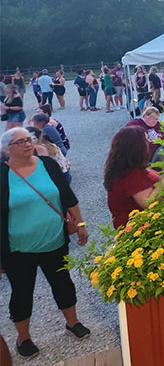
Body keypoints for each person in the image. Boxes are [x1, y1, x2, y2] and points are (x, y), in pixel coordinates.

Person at [0, 128, 90, 358]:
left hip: (54, 241)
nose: (27, 144)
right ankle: (24, 337)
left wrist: (80, 225)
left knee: (63, 282)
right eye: (19, 142)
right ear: (7, 149)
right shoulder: (2, 174)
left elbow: (67, 196)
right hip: (18, 248)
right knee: (21, 292)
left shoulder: (48, 164)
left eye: (28, 140)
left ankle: (72, 322)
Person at [103, 126, 161, 228]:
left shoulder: (126, 168)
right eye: (146, 140)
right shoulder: (131, 176)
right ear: (137, 147)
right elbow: (149, 204)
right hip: (137, 229)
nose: (149, 142)